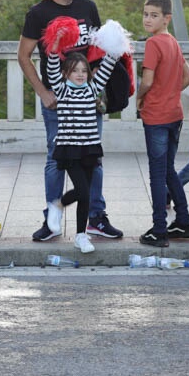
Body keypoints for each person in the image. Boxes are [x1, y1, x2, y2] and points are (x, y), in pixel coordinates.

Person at [17, 0, 123, 242]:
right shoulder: (38, 14)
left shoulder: (88, 8)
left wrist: (99, 88)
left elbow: (100, 48)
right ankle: (51, 220)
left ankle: (96, 217)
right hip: (57, 99)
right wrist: (42, 92)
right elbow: (23, 55)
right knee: (56, 158)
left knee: (93, 157)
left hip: (89, 97)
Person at [45, 32, 120, 252]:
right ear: (66, 73)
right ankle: (57, 205)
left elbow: (108, 65)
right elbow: (51, 66)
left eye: (83, 70)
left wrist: (117, 44)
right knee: (84, 191)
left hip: (89, 148)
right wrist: (56, 44)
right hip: (69, 148)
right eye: (75, 71)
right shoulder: (62, 89)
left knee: (85, 194)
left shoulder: (92, 89)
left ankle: (80, 235)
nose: (80, 74)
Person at [136, 0, 189, 247]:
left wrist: (139, 98)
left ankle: (159, 229)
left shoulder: (153, 44)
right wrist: (170, 92)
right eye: (145, 14)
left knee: (157, 174)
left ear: (167, 18)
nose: (147, 20)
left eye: (154, 15)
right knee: (169, 169)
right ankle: (184, 222)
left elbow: (147, 81)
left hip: (157, 117)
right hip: (174, 115)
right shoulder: (172, 42)